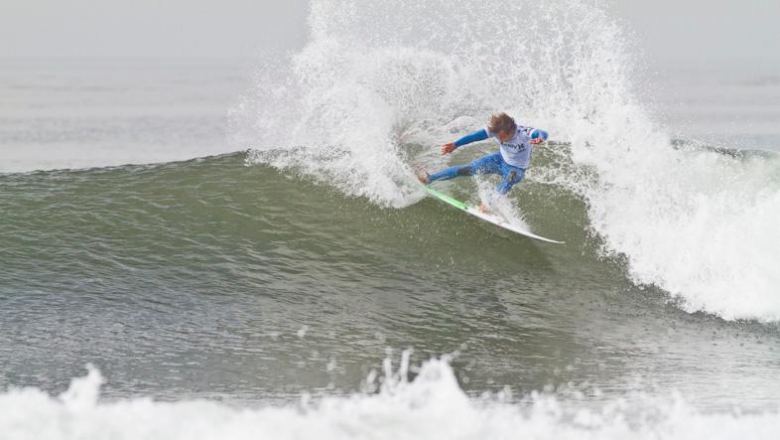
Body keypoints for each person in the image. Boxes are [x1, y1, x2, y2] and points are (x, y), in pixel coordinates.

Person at [418, 113, 548, 213]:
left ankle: (487, 204)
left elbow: (542, 133)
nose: (500, 139)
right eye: (498, 136)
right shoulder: (496, 131)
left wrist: (540, 138)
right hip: (498, 159)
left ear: (510, 131)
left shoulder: (523, 133)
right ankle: (430, 178)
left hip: (517, 168)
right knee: (466, 169)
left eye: (502, 136)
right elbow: (475, 136)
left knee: (512, 177)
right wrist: (455, 144)